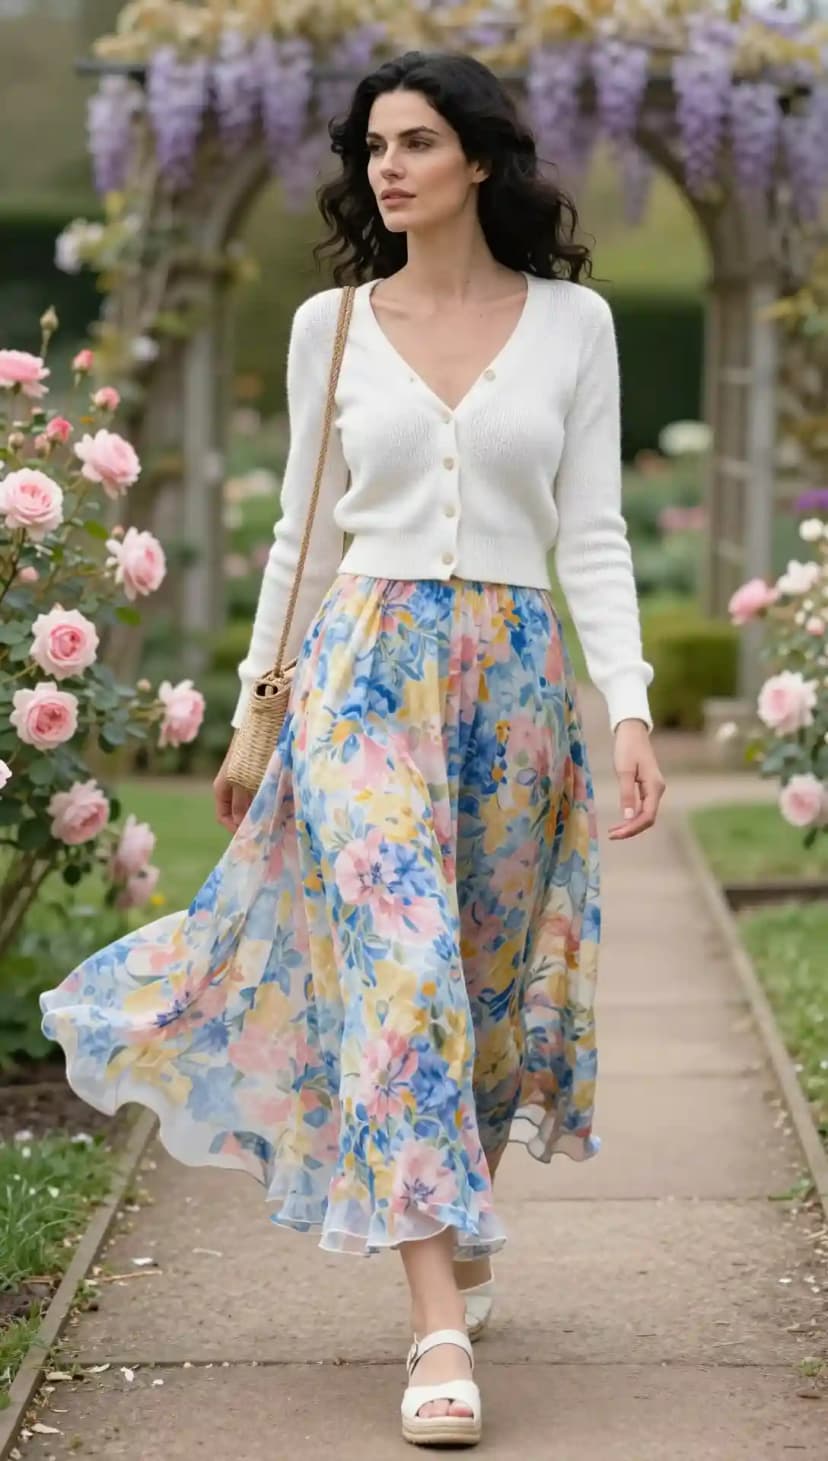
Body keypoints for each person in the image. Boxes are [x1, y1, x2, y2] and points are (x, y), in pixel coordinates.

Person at [41, 49, 666, 1449]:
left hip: (513, 681)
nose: (387, 167)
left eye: (419, 142)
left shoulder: (576, 324)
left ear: (481, 161)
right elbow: (302, 535)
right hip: (363, 677)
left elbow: (594, 534)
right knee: (402, 969)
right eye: (374, 145)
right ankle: (435, 1318)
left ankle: (458, 1198)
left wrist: (624, 705)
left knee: (487, 986)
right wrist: (262, 717)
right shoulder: (331, 324)